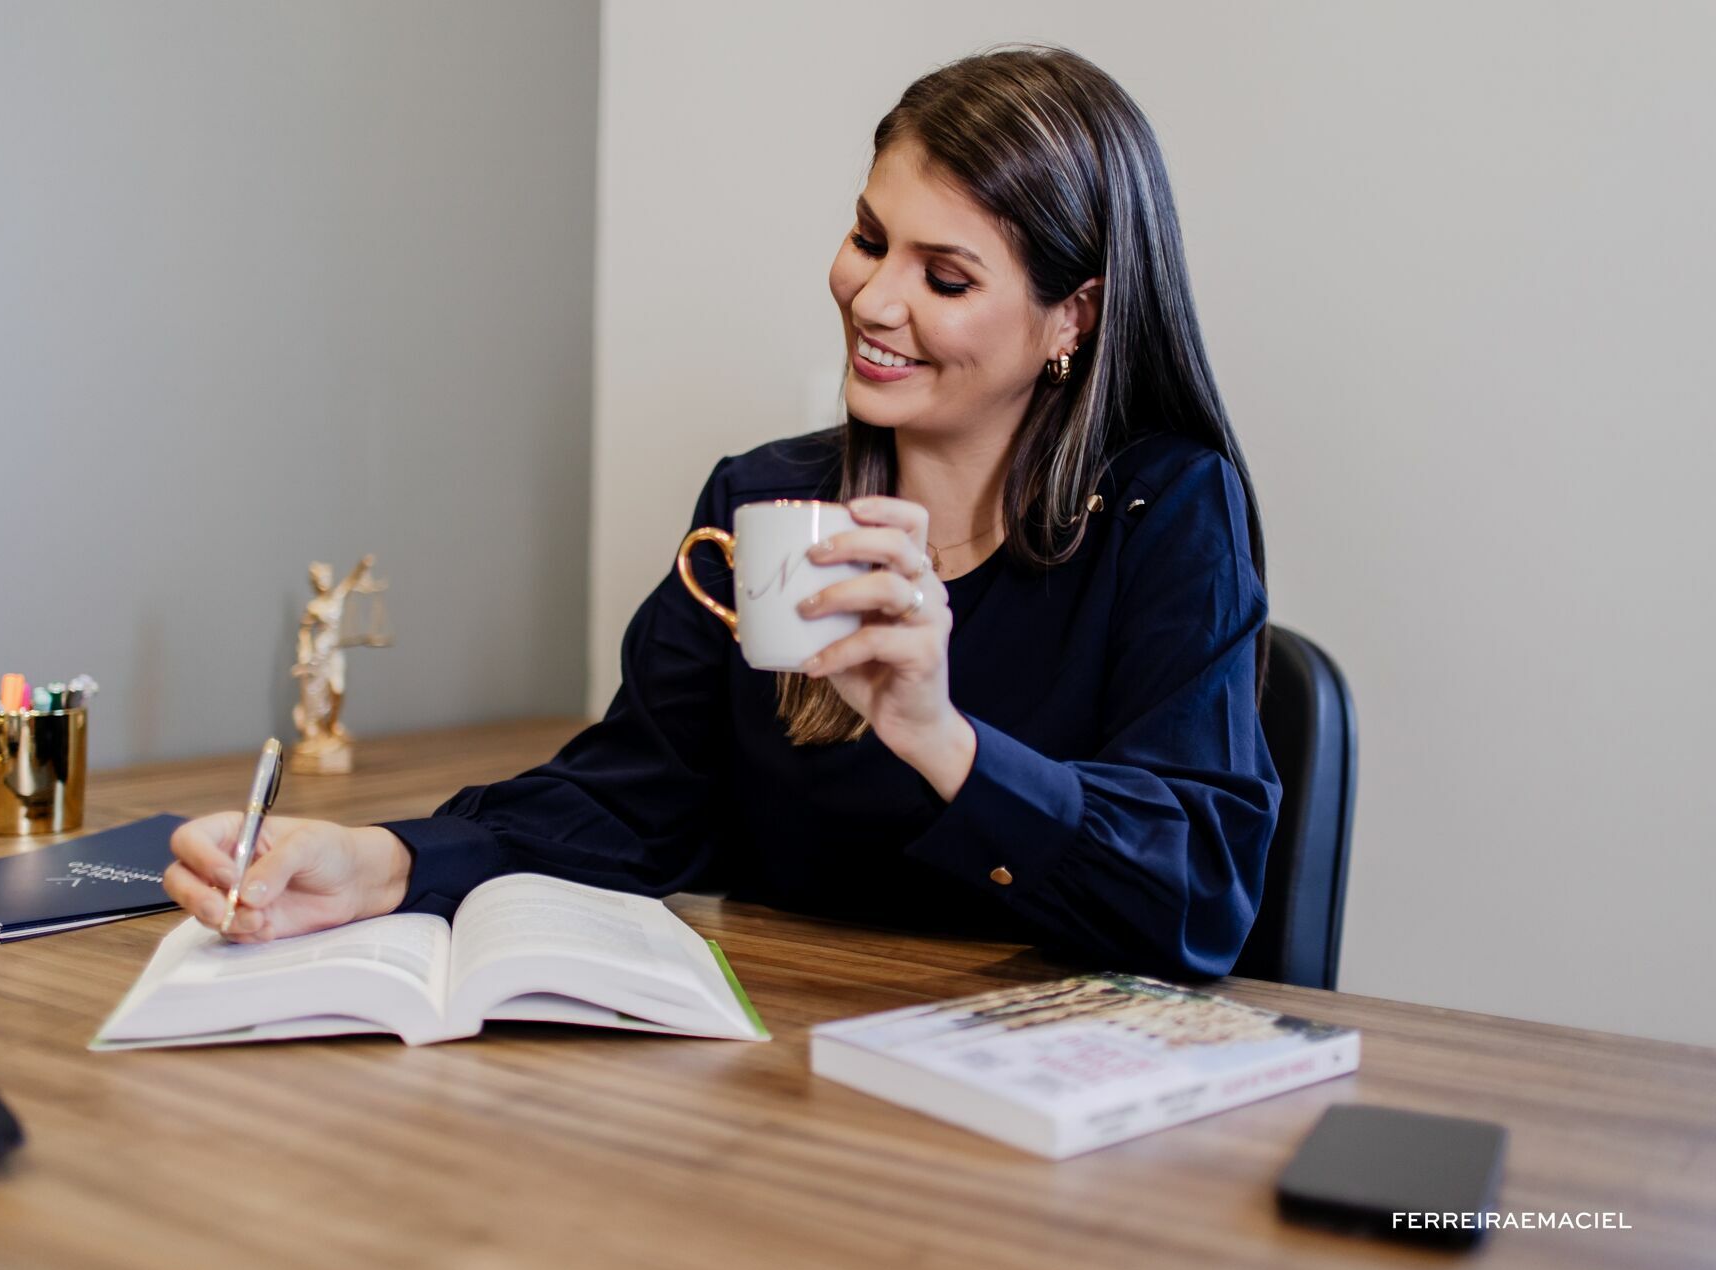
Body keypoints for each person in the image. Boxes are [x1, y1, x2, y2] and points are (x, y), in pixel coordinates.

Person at [165, 44, 1281, 979]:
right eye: (868, 238)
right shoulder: (762, 503)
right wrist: (380, 862)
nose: (874, 299)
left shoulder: (1166, 511)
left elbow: (1199, 895)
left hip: (1047, 1118)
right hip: (783, 1078)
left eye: (946, 277)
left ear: (1070, 318)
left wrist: (942, 739)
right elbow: (634, 797)